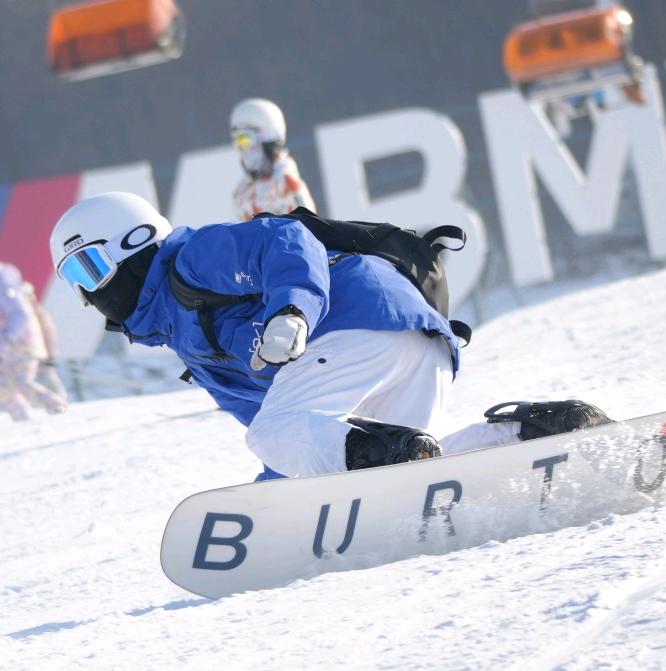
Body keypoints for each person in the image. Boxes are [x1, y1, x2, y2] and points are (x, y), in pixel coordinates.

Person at [48, 191, 611, 478]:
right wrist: (277, 515)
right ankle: (539, 432)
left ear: (134, 240)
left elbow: (284, 242)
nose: (87, 293)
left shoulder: (189, 259)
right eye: (73, 281)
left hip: (351, 324)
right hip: (414, 341)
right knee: (417, 465)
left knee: (279, 435)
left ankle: (388, 452)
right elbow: (298, 442)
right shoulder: (187, 341)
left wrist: (292, 312)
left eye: (89, 270)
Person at [0, 262, 68, 421]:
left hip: (22, 345)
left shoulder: (7, 287)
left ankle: (57, 407)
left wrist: (7, 338)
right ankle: (22, 421)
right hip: (8, 347)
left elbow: (22, 316)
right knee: (4, 387)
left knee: (21, 382)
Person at [230, 98, 316, 222]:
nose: (243, 150)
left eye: (245, 139)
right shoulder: (242, 192)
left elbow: (311, 228)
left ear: (267, 139)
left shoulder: (286, 184)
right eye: (237, 141)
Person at [22, 281, 69, 404]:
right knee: (28, 382)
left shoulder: (38, 314)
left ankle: (60, 401)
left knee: (48, 377)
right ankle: (43, 404)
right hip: (28, 356)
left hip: (43, 355)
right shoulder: (22, 316)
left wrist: (50, 354)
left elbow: (49, 334)